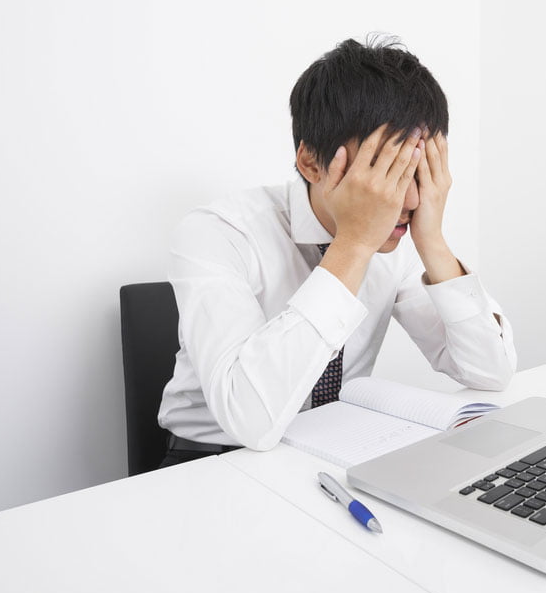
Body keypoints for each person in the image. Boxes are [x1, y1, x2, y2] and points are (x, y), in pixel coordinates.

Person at [157, 36, 516, 467]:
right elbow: (247, 420)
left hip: (330, 449)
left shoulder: (400, 239)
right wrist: (354, 244)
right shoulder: (219, 232)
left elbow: (490, 373)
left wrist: (433, 242)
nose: (410, 199)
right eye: (386, 171)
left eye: (419, 172)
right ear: (310, 162)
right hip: (209, 459)